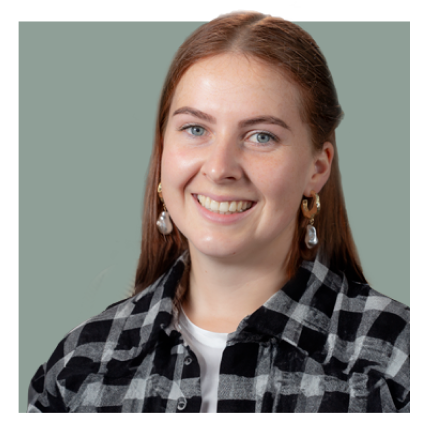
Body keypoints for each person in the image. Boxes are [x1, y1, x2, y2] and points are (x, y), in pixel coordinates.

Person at [27, 11, 410, 413]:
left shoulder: (393, 365)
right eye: (196, 129)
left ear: (317, 168)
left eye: (261, 136)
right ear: (163, 154)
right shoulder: (78, 368)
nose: (219, 168)